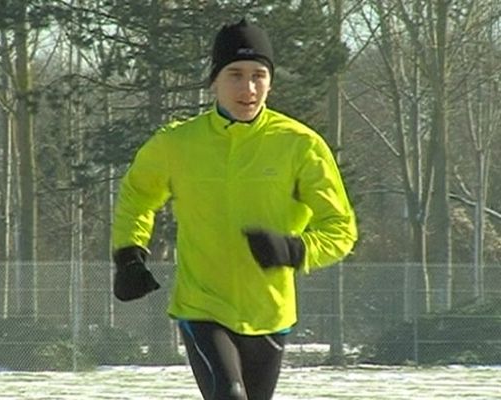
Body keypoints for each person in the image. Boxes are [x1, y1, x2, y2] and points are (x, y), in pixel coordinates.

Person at [111, 17, 357, 400]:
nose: (248, 88)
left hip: (270, 313)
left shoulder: (300, 145)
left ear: (271, 81)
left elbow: (341, 228)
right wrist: (129, 255)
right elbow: (137, 195)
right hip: (202, 307)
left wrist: (295, 250)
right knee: (229, 394)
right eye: (235, 75)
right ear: (214, 80)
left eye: (259, 75)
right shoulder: (177, 144)